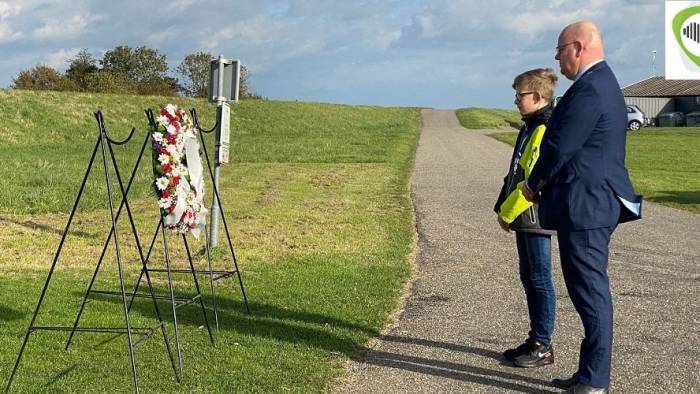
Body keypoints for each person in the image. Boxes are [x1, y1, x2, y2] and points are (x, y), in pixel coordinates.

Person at [523, 21, 642, 394]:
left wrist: (533, 184)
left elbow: (560, 147)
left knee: (590, 292)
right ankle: (588, 373)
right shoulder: (599, 83)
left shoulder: (591, 88)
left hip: (588, 206)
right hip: (589, 203)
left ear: (578, 47)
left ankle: (594, 380)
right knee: (586, 291)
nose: (556, 58)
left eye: (559, 50)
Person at [494, 68, 558, 368]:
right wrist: (501, 205)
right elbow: (516, 170)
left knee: (540, 278)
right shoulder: (530, 125)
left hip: (534, 214)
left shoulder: (544, 127)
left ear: (538, 96)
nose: (516, 101)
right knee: (528, 277)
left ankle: (542, 345)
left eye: (520, 95)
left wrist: (507, 212)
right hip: (523, 214)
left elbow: (532, 178)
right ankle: (535, 338)